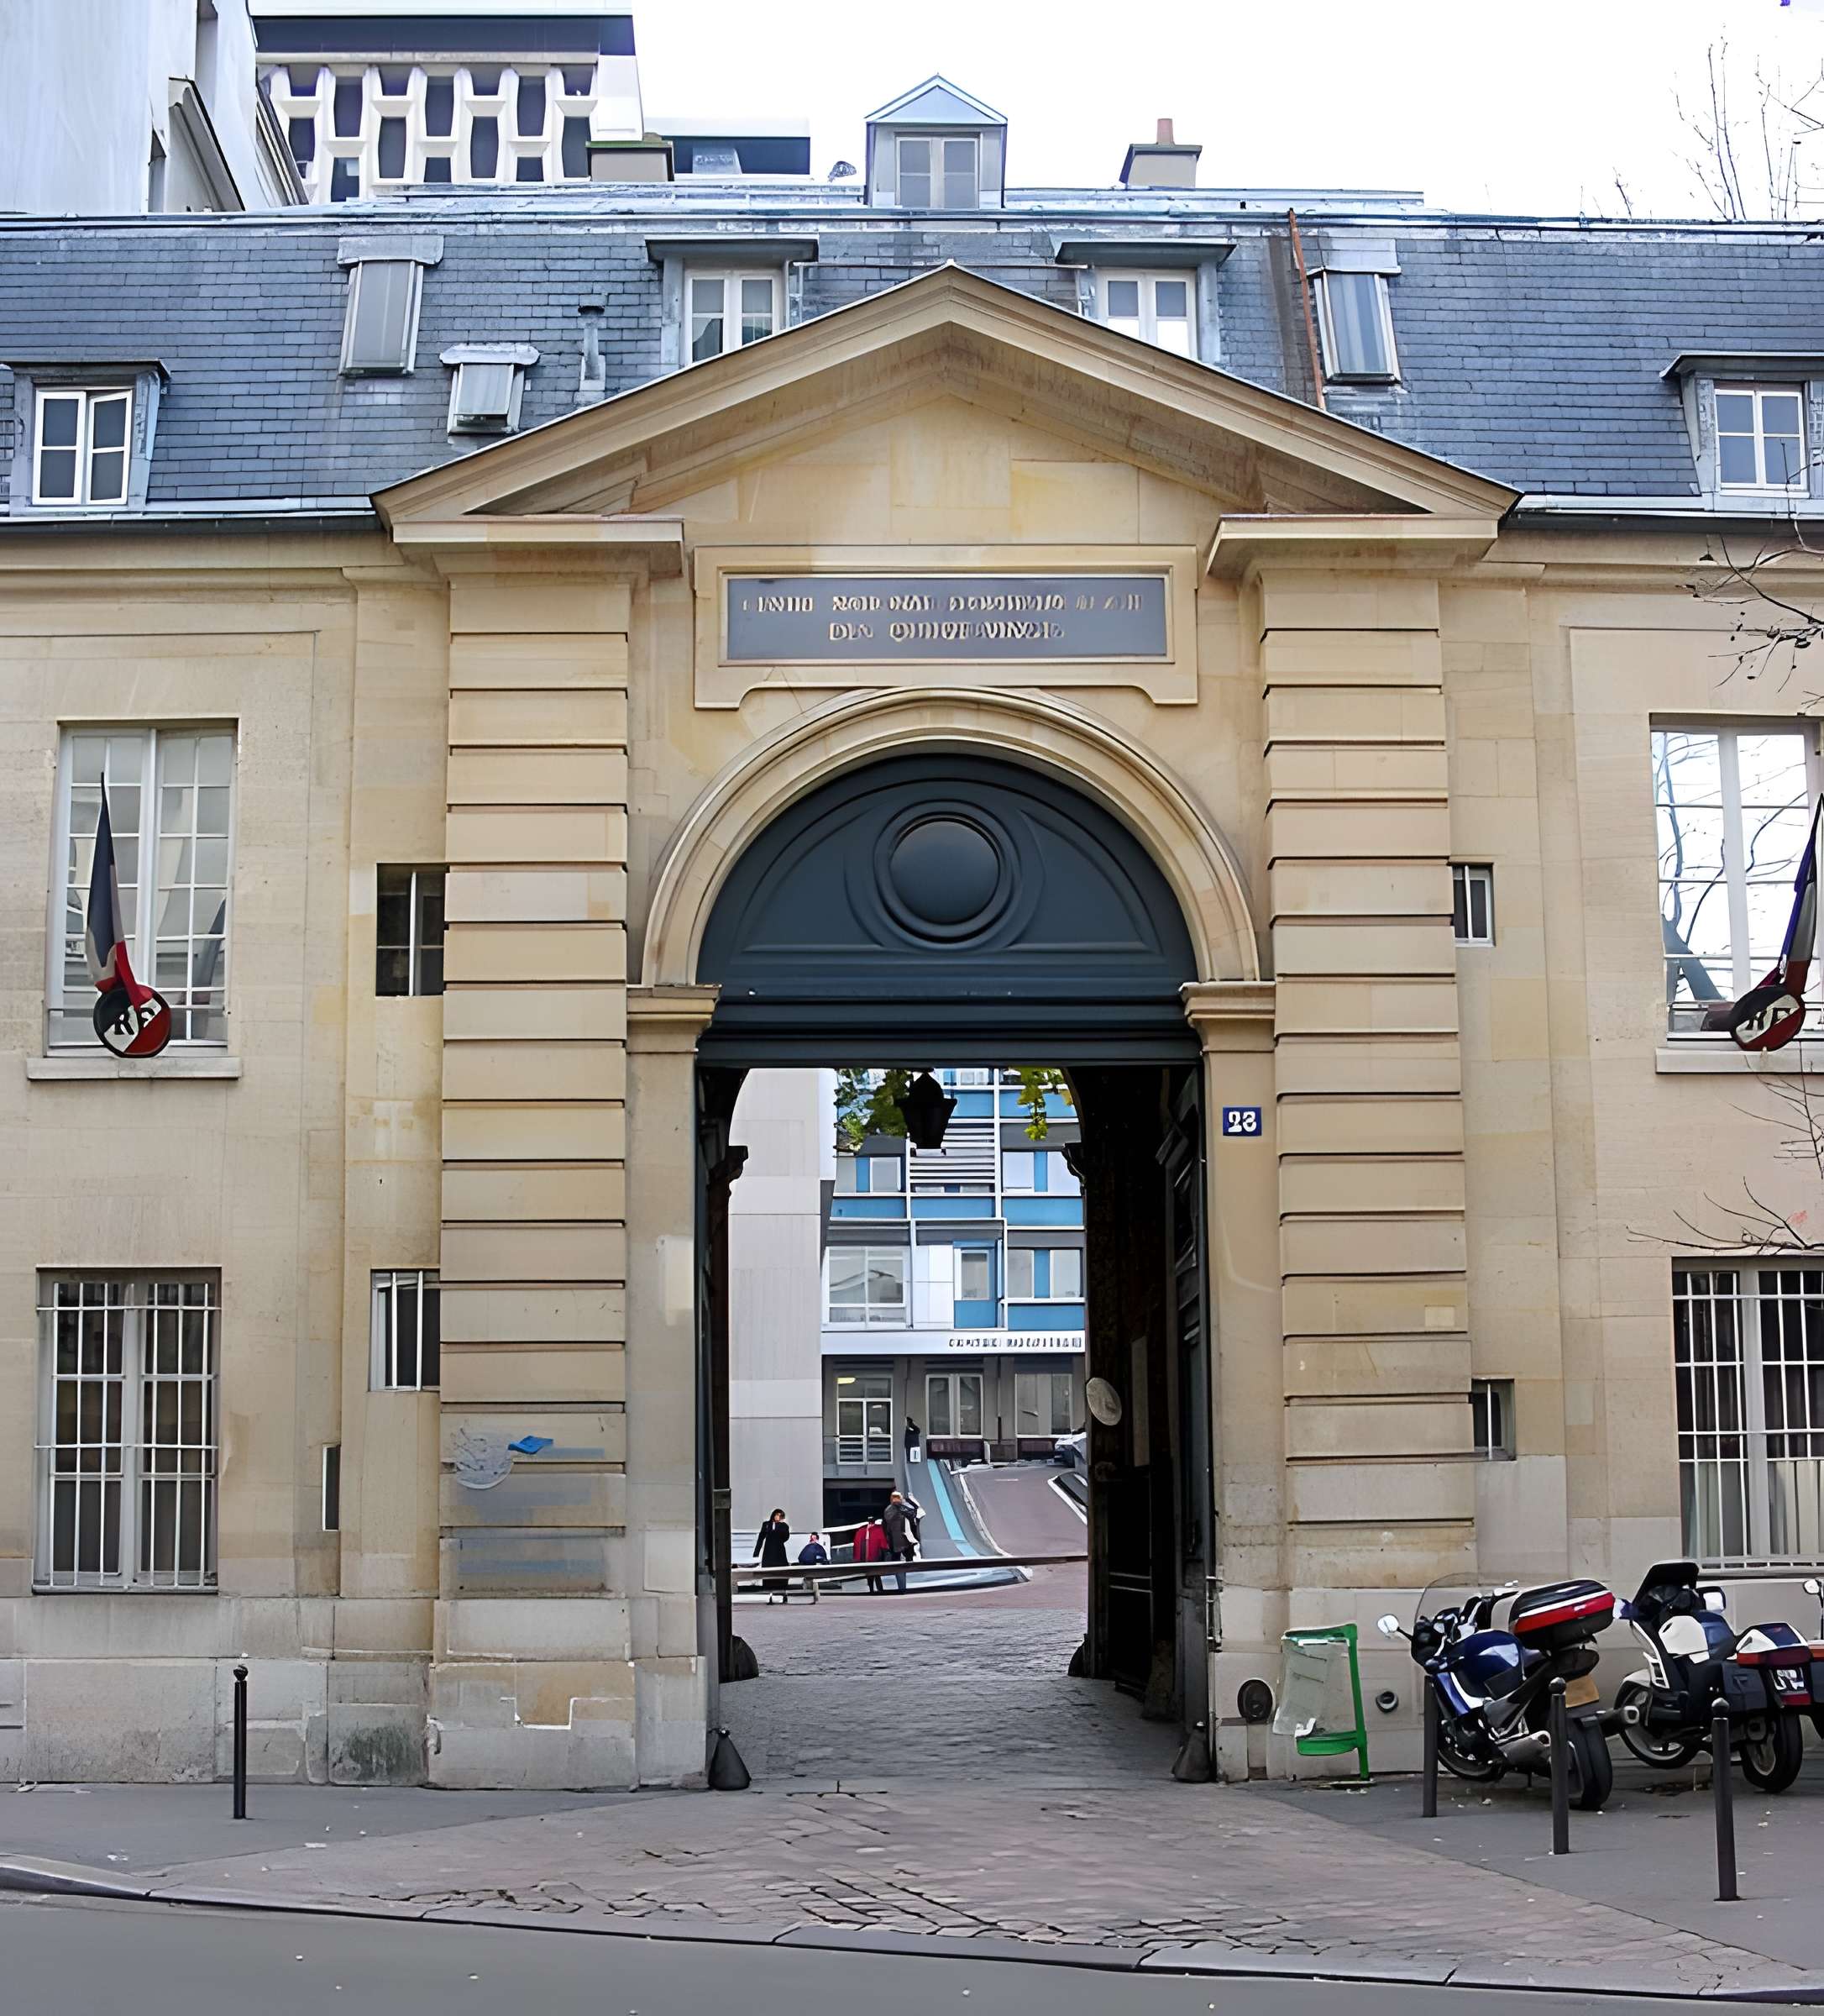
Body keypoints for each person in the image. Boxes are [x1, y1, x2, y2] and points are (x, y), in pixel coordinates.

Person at [881, 1488, 920, 1593]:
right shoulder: (891, 1509)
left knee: (905, 1563)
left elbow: (913, 1515)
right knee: (899, 1565)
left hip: (905, 1541)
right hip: (897, 1542)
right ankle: (902, 1587)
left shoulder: (901, 1508)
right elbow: (889, 1519)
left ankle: (904, 1586)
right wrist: (899, 1507)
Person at [753, 1507, 791, 1603]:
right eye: (777, 1515)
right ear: (773, 1515)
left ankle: (782, 1592)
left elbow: (786, 1537)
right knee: (769, 1571)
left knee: (781, 1570)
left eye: (780, 1516)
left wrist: (781, 1527)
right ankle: (769, 1593)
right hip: (768, 1551)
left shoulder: (784, 1526)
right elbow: (761, 1538)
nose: (778, 1517)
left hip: (779, 1551)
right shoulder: (766, 1525)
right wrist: (756, 1552)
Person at [855, 1514, 889, 1594]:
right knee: (876, 1573)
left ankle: (872, 1589)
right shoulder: (877, 1529)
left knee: (870, 1573)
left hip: (867, 1556)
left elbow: (858, 1543)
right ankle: (879, 1589)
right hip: (875, 1555)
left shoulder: (862, 1530)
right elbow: (883, 1542)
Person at [796, 1530, 828, 1604]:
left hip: (807, 1568)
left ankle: (808, 1596)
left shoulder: (807, 1548)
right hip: (813, 1568)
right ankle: (814, 1596)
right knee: (813, 1582)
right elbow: (823, 1559)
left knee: (809, 1581)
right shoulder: (818, 1548)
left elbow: (801, 1558)